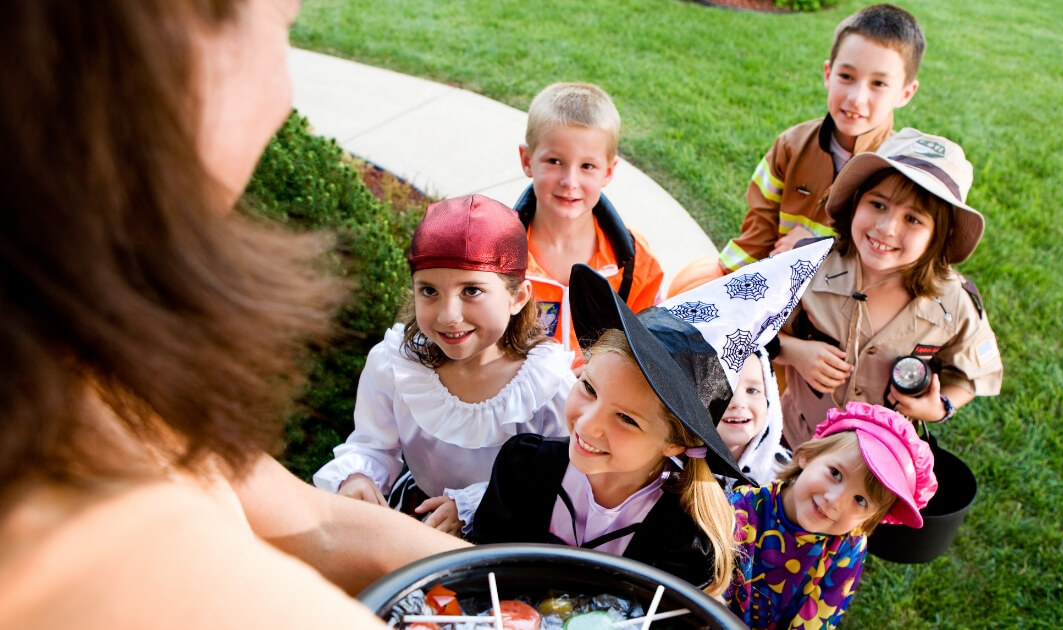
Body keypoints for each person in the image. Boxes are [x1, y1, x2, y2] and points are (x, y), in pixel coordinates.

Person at [0, 1, 469, 627]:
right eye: (283, 24)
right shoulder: (133, 569)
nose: (283, 93)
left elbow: (317, 525)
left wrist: (509, 584)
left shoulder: (72, 354)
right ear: (171, 46)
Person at [469, 240, 832, 596]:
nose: (589, 424)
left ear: (677, 441)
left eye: (627, 418)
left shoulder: (685, 541)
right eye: (590, 388)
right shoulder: (524, 467)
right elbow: (480, 580)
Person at [313, 195, 574, 534]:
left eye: (472, 291)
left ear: (517, 297)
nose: (449, 316)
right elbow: (372, 444)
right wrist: (358, 475)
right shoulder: (396, 365)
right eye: (430, 291)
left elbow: (562, 481)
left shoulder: (547, 385)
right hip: (420, 517)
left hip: (510, 534)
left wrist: (478, 502)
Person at [667, 3, 924, 296]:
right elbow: (760, 223)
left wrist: (809, 247)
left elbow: (887, 257)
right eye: (846, 76)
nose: (856, 97)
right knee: (691, 292)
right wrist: (731, 284)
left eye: (878, 83)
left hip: (839, 302)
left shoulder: (898, 170)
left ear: (905, 92)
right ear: (828, 73)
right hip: (776, 282)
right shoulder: (791, 145)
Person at [774, 128, 1004, 446]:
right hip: (793, 437)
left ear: (939, 235)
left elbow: (970, 375)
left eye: (913, 219)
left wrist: (939, 407)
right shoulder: (808, 265)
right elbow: (752, 332)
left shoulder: (955, 304)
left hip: (873, 463)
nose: (886, 228)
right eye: (878, 205)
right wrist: (795, 352)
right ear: (855, 202)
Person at [724, 402, 937, 629]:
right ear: (808, 455)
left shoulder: (849, 546)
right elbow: (711, 585)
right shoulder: (743, 508)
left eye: (860, 500)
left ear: (871, 519)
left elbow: (818, 619)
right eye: (835, 473)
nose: (835, 500)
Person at [513, 82, 664, 367]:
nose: (570, 182)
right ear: (527, 160)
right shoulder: (494, 257)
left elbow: (649, 350)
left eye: (587, 166)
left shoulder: (634, 263)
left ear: (608, 171)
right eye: (554, 161)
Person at [715, 349, 790, 490]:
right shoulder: (668, 474)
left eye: (752, 390)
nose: (738, 402)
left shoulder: (786, 476)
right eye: (721, 389)